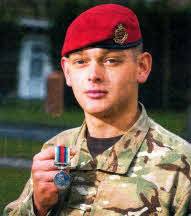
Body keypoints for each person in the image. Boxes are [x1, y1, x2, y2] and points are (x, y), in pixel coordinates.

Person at [4, 4, 191, 216]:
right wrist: (37, 206)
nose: (93, 75)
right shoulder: (56, 149)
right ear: (67, 72)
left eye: (111, 60)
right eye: (81, 61)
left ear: (142, 67)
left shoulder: (181, 167)